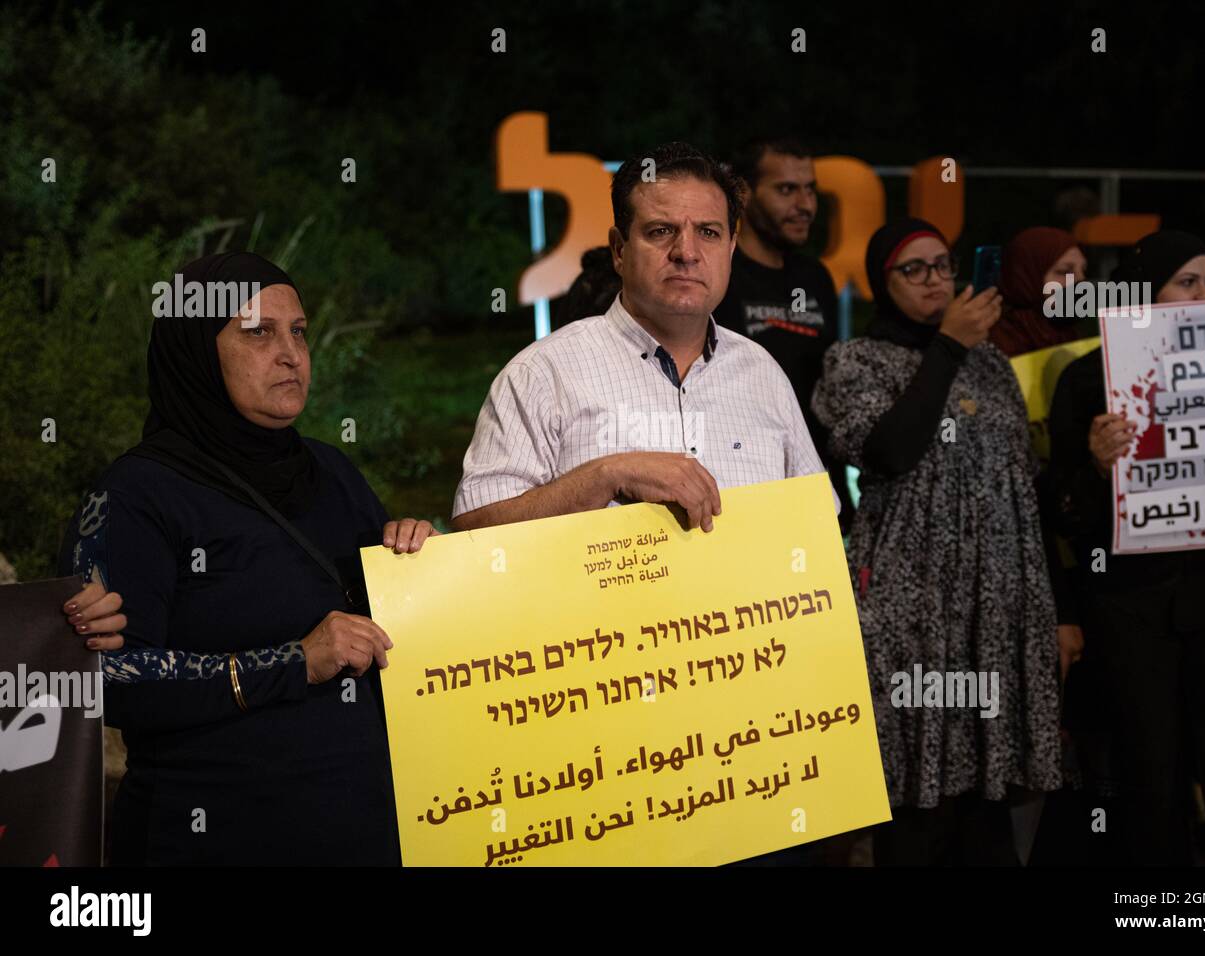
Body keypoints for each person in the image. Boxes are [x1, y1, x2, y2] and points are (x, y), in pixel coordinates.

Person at [56, 252, 436, 865]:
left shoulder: (332, 473)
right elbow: (107, 679)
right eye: (257, 332)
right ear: (197, 349)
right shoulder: (133, 496)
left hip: (366, 835)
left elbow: (389, 630)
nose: (290, 353)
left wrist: (419, 562)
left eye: (299, 331)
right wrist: (292, 661)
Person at [812, 218, 1063, 865]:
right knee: (921, 797)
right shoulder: (855, 360)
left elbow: (1021, 481)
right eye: (913, 269)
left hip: (993, 606)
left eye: (942, 266)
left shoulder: (993, 363)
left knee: (988, 795)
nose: (933, 280)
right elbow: (891, 450)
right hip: (913, 606)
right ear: (881, 283)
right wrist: (947, 347)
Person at [1048, 229, 1205, 865]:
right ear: (1148, 293)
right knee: (1150, 793)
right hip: (1132, 613)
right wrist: (1097, 471)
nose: (1204, 294)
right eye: (1188, 281)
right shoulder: (1084, 378)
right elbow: (1062, 512)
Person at [452, 141, 836, 535]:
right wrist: (605, 476)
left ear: (731, 249)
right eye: (661, 231)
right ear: (619, 250)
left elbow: (817, 522)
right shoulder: (543, 374)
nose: (686, 252)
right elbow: (475, 532)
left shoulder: (763, 373)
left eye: (708, 232)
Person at [715, 137, 853, 530]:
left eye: (810, 190)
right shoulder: (719, 275)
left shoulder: (815, 278)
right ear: (743, 192)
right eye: (786, 190)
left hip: (816, 487)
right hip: (743, 493)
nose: (805, 205)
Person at [989, 226, 1090, 358]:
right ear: (1026, 277)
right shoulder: (992, 341)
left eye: (1083, 271)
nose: (1080, 280)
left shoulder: (1069, 333)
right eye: (1064, 272)